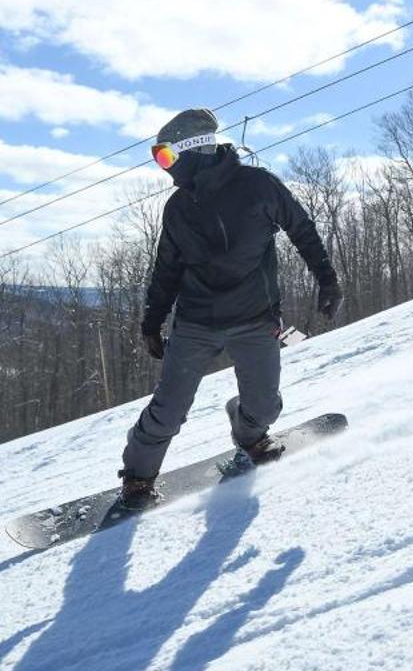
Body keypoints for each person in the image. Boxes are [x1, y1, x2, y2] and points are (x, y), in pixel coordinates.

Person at [119, 108, 342, 507]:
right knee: (168, 410)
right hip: (196, 323)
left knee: (263, 406)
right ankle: (137, 477)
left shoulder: (258, 187)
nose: (164, 167)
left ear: (192, 150)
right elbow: (166, 270)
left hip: (254, 318)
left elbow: (301, 229)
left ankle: (250, 434)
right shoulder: (178, 209)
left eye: (165, 156)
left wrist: (327, 280)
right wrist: (152, 322)